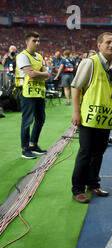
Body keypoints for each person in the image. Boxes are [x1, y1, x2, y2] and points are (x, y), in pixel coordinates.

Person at [70, 32, 112, 204]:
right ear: (99, 45)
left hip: (105, 119)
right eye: (108, 42)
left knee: (98, 153)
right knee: (85, 152)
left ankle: (93, 184)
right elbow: (76, 88)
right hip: (88, 118)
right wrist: (76, 112)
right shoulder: (90, 63)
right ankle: (77, 189)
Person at [16, 31, 50, 159]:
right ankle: (25, 149)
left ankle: (33, 145)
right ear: (27, 42)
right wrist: (42, 73)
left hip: (39, 93)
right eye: (34, 41)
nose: (37, 43)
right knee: (27, 121)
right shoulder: (22, 56)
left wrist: (40, 73)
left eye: (38, 41)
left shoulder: (40, 56)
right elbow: (32, 74)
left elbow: (46, 74)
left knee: (40, 120)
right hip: (27, 93)